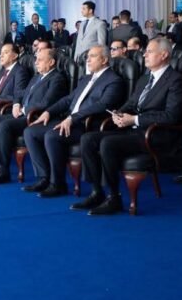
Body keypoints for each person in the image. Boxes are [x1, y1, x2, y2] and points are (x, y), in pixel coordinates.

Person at [73, 38, 182, 215]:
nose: (144, 55)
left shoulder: (176, 80)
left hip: (157, 135)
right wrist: (118, 114)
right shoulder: (144, 79)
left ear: (164, 55)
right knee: (88, 139)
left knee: (107, 143)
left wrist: (134, 120)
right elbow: (131, 103)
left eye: (149, 51)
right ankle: (97, 192)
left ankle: (114, 198)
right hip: (135, 131)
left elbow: (171, 116)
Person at [23, 45, 125, 197]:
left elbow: (103, 105)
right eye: (87, 56)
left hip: (87, 124)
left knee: (52, 136)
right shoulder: (86, 78)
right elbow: (68, 99)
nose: (87, 60)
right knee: (30, 132)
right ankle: (44, 177)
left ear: (104, 60)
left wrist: (73, 118)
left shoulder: (114, 80)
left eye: (92, 56)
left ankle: (58, 184)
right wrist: (48, 112)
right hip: (70, 120)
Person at [0, 48, 68, 184]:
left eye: (40, 60)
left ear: (51, 62)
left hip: (35, 117)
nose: (36, 62)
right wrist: (16, 104)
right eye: (36, 59)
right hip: (22, 113)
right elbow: (20, 93)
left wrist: (24, 110)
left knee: (5, 125)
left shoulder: (57, 78)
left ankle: (3, 171)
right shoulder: (36, 77)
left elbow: (46, 103)